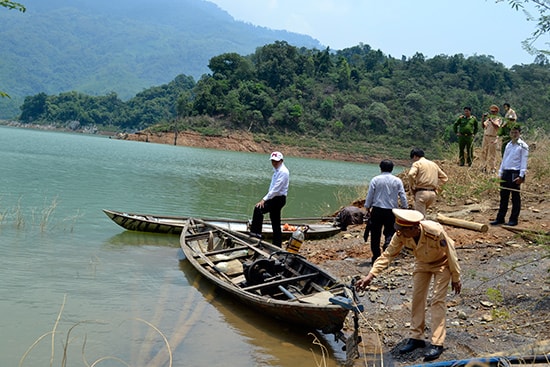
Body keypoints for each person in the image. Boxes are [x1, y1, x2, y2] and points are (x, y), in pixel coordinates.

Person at [356, 209, 461, 362]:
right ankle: (416, 337)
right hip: (422, 263)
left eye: (403, 231)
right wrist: (370, 275)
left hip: (442, 264)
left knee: (437, 300)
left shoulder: (435, 231)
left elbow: (451, 253)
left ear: (414, 228)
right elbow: (388, 255)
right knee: (417, 299)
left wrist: (456, 277)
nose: (400, 234)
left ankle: (437, 343)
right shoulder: (401, 234)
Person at [364, 159, 408, 264]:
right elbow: (402, 195)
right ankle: (387, 253)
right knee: (390, 232)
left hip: (377, 210)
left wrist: (367, 207)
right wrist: (405, 208)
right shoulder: (397, 180)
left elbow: (370, 195)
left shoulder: (375, 179)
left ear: (380, 168)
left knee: (375, 234)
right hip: (391, 211)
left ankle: (376, 256)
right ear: (392, 169)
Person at [490, 126, 529, 226]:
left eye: (516, 132)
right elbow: (504, 159)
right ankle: (500, 218)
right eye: (512, 132)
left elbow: (524, 162)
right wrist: (500, 172)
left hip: (515, 173)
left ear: (519, 133)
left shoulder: (523, 146)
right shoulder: (508, 144)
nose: (514, 134)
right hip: (506, 172)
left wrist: (521, 176)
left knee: (515, 197)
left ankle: (513, 219)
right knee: (504, 196)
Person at [249, 151, 289, 246]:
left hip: (278, 199)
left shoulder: (283, 172)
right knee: (275, 222)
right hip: (276, 199)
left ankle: (256, 234)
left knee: (258, 209)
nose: (274, 163)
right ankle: (277, 244)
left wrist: (264, 199)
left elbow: (276, 189)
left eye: (276, 161)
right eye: (273, 161)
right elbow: (273, 188)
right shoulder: (278, 171)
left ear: (281, 161)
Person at [407, 148, 448, 215]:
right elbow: (445, 178)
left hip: (421, 193)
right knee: (423, 213)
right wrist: (438, 188)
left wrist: (412, 185)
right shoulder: (433, 164)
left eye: (413, 158)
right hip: (432, 194)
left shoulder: (417, 164)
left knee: (419, 217)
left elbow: (411, 174)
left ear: (415, 156)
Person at [480, 105, 502, 173]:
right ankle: (484, 167)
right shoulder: (488, 120)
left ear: (497, 112)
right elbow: (483, 126)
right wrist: (483, 118)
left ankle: (493, 168)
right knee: (484, 152)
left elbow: (497, 127)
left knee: (492, 153)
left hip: (493, 137)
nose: (492, 113)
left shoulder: (498, 119)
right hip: (486, 136)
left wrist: (491, 120)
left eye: (494, 112)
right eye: (491, 111)